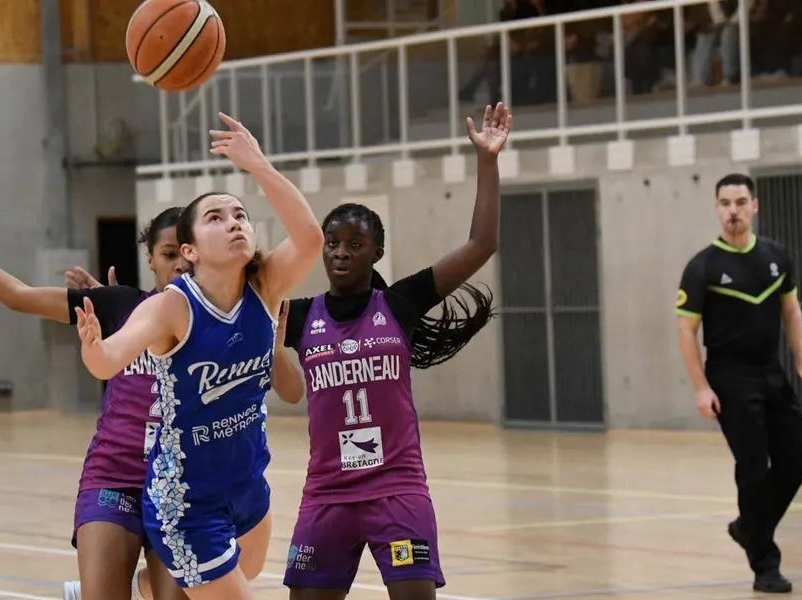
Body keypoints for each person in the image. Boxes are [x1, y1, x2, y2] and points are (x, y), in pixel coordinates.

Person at [73, 112, 324, 600]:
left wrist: (258, 166)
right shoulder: (172, 306)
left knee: (211, 589)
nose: (233, 223)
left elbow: (310, 237)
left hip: (249, 485)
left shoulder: (265, 285)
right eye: (216, 218)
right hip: (187, 502)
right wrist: (93, 346)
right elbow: (108, 363)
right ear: (188, 250)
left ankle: (148, 587)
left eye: (239, 215)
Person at [273, 103, 510, 600]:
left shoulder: (398, 303)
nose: (340, 252)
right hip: (327, 493)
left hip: (396, 490)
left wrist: (487, 161)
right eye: (332, 242)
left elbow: (482, 243)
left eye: (354, 243)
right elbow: (223, 300)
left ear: (375, 252)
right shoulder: (295, 316)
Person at [0, 189, 187, 600]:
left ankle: (141, 587)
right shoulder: (121, 306)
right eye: (169, 254)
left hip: (180, 485)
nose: (181, 264)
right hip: (114, 477)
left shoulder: (219, 324)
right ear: (151, 259)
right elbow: (18, 295)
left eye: (189, 253)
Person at [676, 173, 802, 594]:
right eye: (725, 203)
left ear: (754, 206)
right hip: (729, 377)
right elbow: (686, 332)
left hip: (770, 371)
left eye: (741, 201)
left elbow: (791, 312)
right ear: (716, 208)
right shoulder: (701, 267)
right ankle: (765, 565)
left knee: (798, 460)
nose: (733, 210)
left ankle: (748, 527)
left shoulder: (776, 256)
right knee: (754, 470)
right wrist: (701, 387)